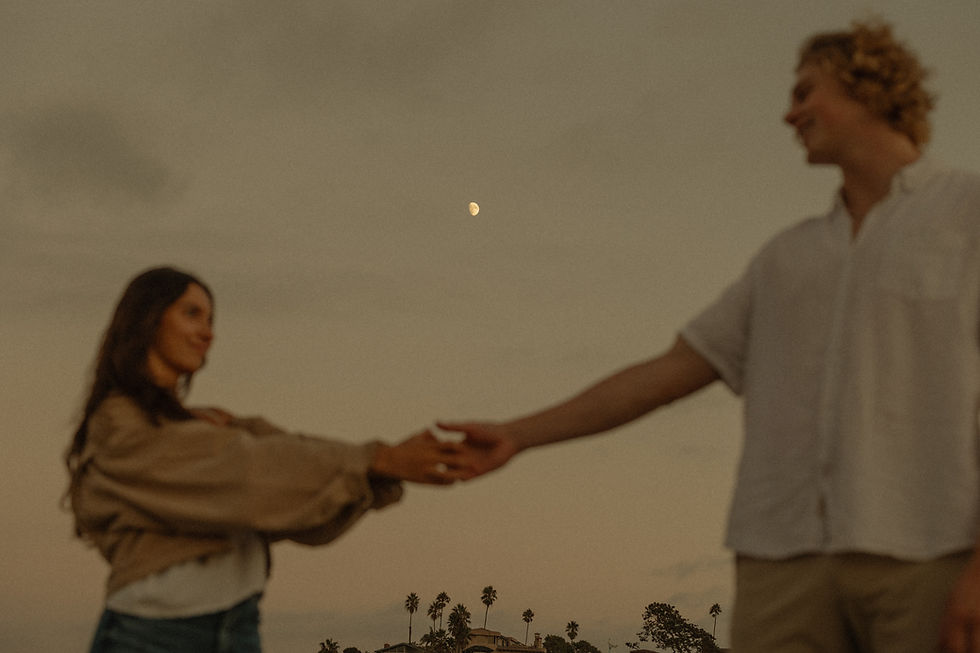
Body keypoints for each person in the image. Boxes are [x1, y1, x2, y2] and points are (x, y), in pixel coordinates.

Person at [445, 21, 980, 653]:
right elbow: (667, 372)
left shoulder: (966, 214)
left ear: (869, 86)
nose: (790, 114)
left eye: (807, 93)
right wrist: (519, 434)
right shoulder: (785, 258)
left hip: (931, 553)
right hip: (779, 563)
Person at [65, 266, 470, 653]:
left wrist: (377, 471)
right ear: (148, 319)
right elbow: (249, 474)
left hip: (237, 627)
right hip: (155, 636)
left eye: (211, 320)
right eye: (192, 314)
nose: (208, 333)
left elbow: (294, 496)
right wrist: (378, 459)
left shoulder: (202, 428)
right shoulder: (119, 425)